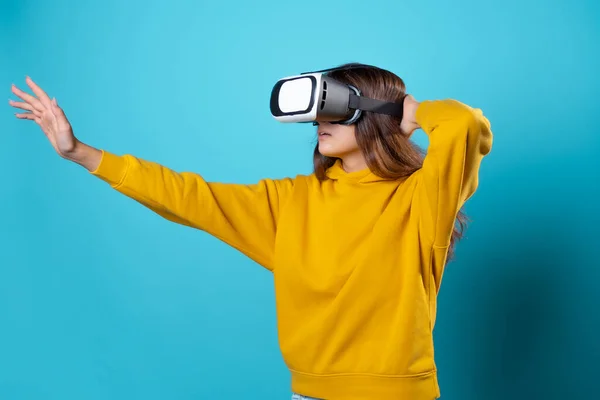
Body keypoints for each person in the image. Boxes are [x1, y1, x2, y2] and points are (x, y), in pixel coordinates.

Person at [9, 63, 493, 400]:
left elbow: (466, 125)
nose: (318, 120)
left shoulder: (420, 198)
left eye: (335, 106)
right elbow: (189, 197)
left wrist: (413, 111)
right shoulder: (293, 201)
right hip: (310, 393)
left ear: (374, 115)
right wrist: (81, 154)